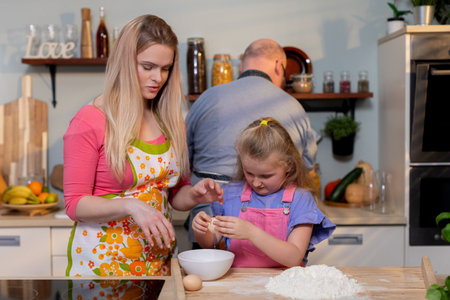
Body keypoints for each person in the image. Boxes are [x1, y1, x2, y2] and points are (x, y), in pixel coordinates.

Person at [63, 14, 223, 277]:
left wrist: (194, 195)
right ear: (125, 63)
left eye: (165, 68)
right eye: (147, 66)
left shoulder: (170, 121)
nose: (157, 78)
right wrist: (130, 205)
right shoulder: (90, 120)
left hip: (158, 261)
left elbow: (174, 194)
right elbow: (74, 204)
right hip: (104, 266)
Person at [185, 38, 318, 248]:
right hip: (272, 232)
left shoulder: (206, 98)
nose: (255, 182)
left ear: (242, 64)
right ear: (278, 66)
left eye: (264, 175)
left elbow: (184, 159)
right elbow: (307, 166)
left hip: (209, 217)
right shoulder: (293, 107)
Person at [192, 117, 335, 267]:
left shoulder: (300, 199)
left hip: (285, 285)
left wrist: (251, 233)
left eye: (266, 176)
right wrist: (202, 231)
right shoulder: (232, 194)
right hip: (239, 284)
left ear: (289, 166)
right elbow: (211, 244)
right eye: (249, 173)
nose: (255, 182)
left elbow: (293, 258)